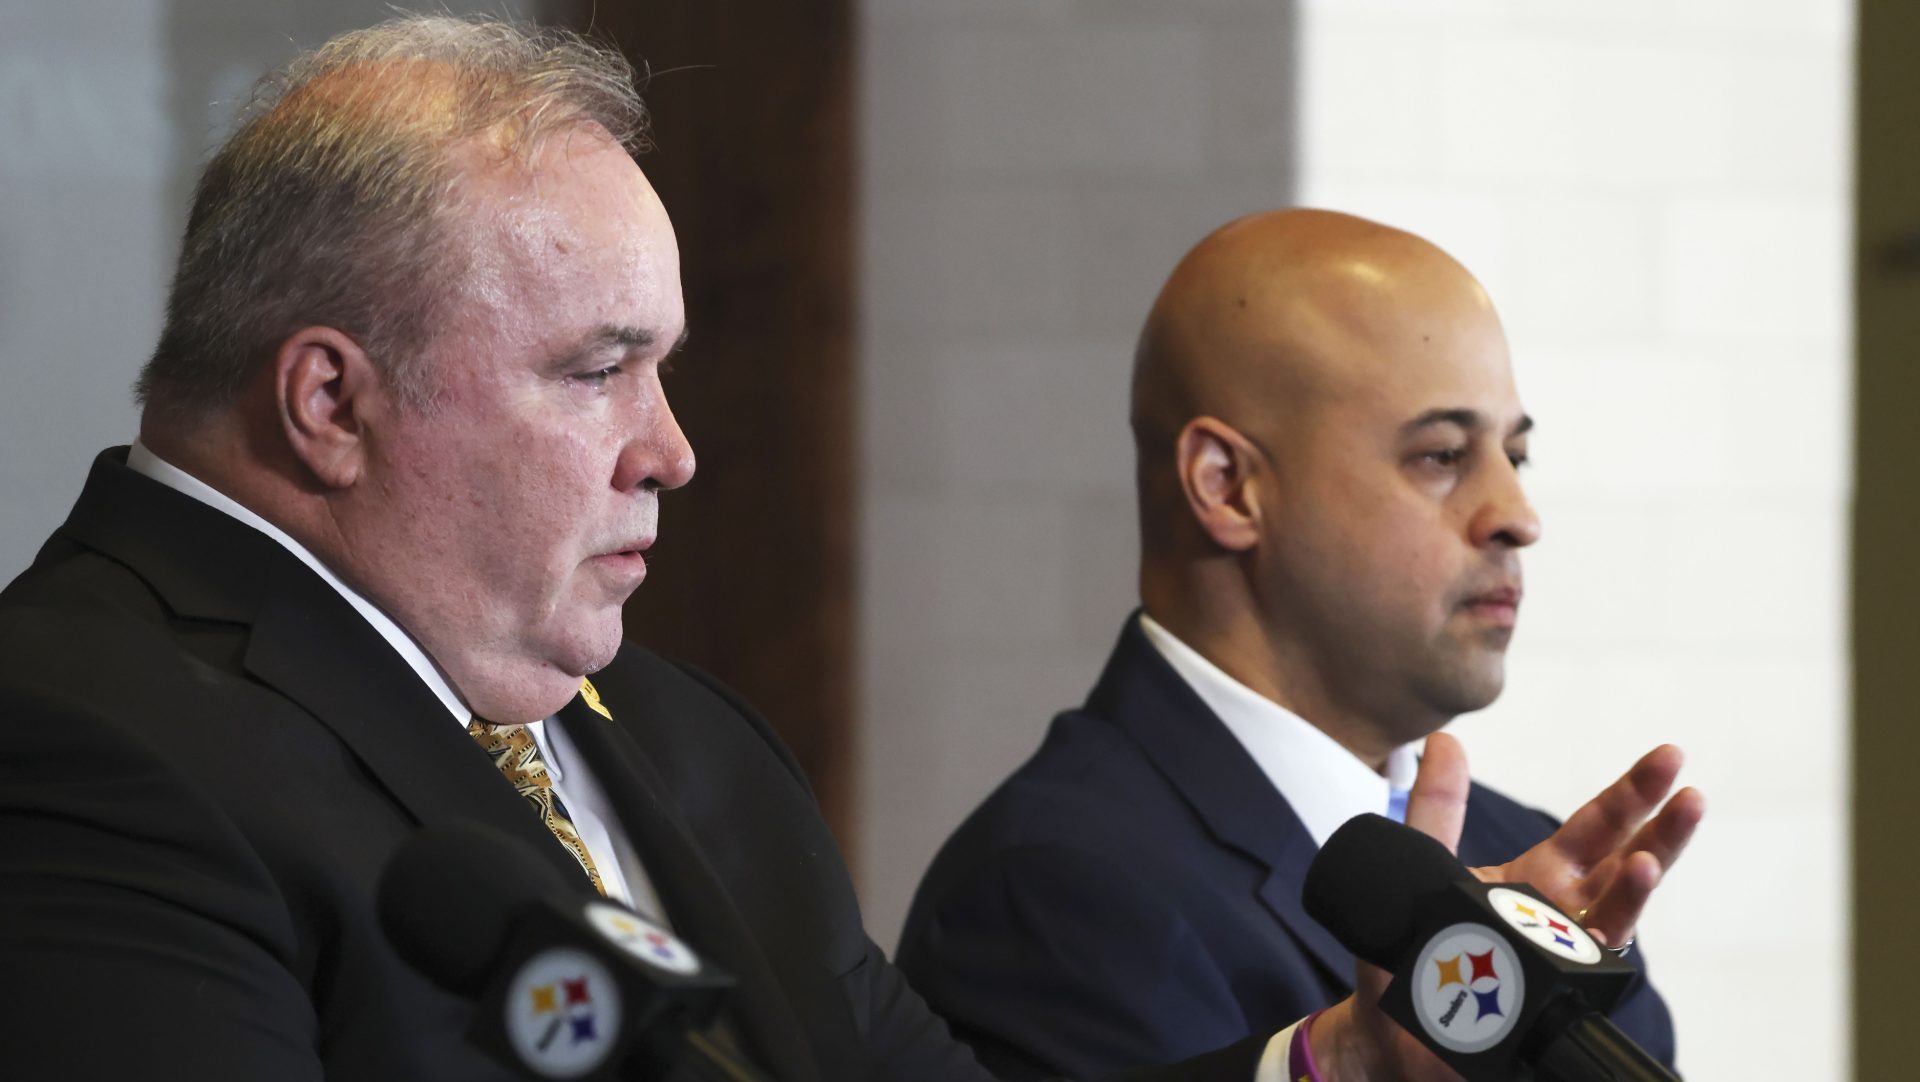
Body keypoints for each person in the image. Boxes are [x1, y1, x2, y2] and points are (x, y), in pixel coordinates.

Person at [0, 18, 1695, 1082]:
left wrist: (1339, 1065)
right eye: (599, 370)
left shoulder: (678, 736)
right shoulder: (77, 740)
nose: (672, 448)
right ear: (328, 401)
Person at [896, 210, 1705, 1079]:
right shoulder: (1050, 891)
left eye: (1515, 455)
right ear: (1229, 487)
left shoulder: (1528, 862)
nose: (1517, 516)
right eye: (1441, 455)